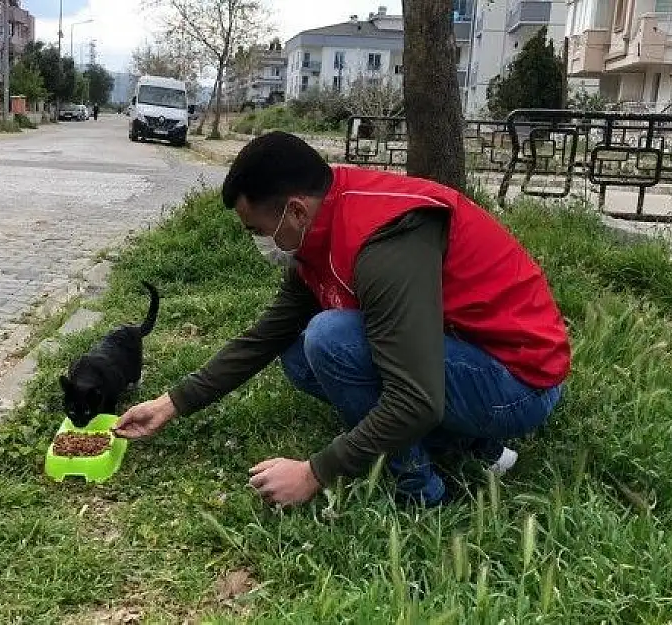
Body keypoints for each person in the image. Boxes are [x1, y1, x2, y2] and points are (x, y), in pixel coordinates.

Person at [115, 131, 571, 508]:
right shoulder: (320, 222)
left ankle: (423, 492)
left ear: (295, 209)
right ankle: (472, 445)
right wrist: (171, 403)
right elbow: (267, 335)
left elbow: (417, 399)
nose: (259, 243)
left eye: (257, 230)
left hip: (519, 385)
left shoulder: (383, 243)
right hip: (464, 357)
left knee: (330, 339)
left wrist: (315, 472)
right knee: (298, 353)